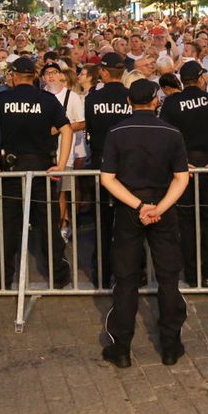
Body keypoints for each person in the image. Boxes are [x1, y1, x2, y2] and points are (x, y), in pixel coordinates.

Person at [100, 78, 191, 368]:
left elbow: (107, 178)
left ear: (129, 101)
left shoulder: (117, 132)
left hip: (130, 207)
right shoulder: (172, 132)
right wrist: (158, 207)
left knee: (126, 279)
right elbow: (181, 177)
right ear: (156, 101)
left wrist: (139, 206)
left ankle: (122, 347)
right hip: (160, 206)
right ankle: (170, 346)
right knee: (168, 277)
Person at [0, 56, 72, 287]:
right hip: (42, 170)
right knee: (49, 226)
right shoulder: (47, 100)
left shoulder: (2, 99)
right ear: (34, 77)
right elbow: (66, 130)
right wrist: (61, 164)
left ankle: (3, 279)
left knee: (8, 227)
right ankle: (59, 277)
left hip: (11, 171)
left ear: (14, 76)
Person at [159, 60, 208, 288]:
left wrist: (181, 163)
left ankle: (192, 274)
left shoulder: (171, 103)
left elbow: (167, 137)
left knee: (186, 223)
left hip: (185, 170)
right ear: (200, 79)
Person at [83, 52, 132, 287]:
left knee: (102, 221)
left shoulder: (93, 99)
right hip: (129, 164)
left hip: (102, 163)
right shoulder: (131, 97)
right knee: (130, 220)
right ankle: (133, 273)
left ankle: (101, 273)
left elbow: (91, 128)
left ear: (103, 72)